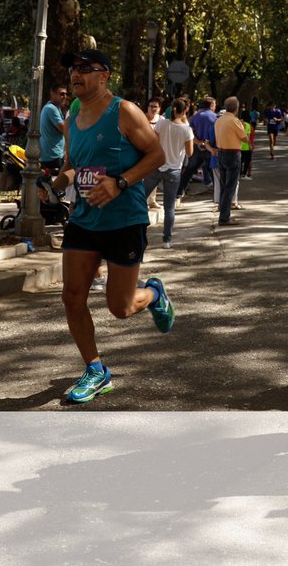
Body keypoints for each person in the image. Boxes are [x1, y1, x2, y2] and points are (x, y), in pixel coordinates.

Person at [50, 48, 170, 404]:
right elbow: (72, 164)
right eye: (73, 69)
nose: (76, 74)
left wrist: (120, 182)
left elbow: (157, 155)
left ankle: (154, 293)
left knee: (120, 307)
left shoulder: (124, 111)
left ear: (104, 76)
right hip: (85, 219)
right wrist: (57, 184)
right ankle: (96, 370)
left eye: (85, 68)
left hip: (124, 220)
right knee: (72, 296)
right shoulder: (73, 112)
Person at [145, 96, 193, 248]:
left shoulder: (162, 123)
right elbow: (190, 153)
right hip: (173, 170)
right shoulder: (187, 130)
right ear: (185, 111)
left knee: (140, 198)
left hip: (156, 166)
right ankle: (167, 240)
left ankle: (138, 232)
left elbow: (153, 141)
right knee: (169, 206)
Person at [177, 96, 217, 200]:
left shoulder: (196, 116)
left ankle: (179, 192)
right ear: (212, 105)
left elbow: (190, 131)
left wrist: (198, 142)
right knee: (212, 171)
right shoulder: (215, 117)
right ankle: (217, 193)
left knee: (189, 171)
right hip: (210, 147)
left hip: (197, 147)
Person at [213, 96, 245, 226]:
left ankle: (223, 213)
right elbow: (244, 137)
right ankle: (224, 217)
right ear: (236, 108)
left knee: (223, 185)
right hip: (232, 154)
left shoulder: (219, 120)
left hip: (221, 153)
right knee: (230, 187)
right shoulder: (235, 121)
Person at [39, 85, 68, 175]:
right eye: (62, 94)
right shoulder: (51, 109)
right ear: (53, 94)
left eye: (66, 94)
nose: (65, 97)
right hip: (53, 156)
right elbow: (65, 129)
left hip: (52, 155)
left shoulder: (53, 108)